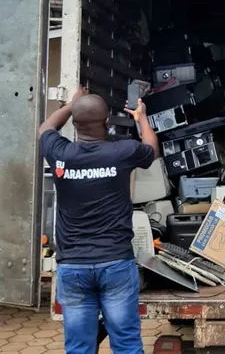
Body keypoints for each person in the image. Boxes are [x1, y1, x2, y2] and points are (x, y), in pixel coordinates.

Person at [39, 87, 159, 354]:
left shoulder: (61, 154)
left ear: (74, 123)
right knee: (126, 343)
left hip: (73, 267)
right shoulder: (122, 152)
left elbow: (45, 128)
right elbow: (152, 149)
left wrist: (72, 105)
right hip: (115, 263)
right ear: (107, 122)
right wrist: (141, 118)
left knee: (79, 346)